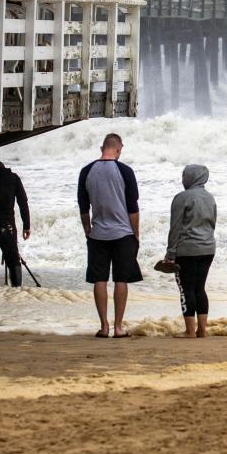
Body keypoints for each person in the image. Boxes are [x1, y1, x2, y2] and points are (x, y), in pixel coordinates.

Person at [78, 133, 142, 338]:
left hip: (98, 235)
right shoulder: (125, 171)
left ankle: (104, 326)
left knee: (100, 279)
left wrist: (87, 229)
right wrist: (136, 234)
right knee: (121, 279)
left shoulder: (86, 171)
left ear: (101, 148)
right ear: (119, 149)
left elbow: (83, 207)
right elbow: (133, 208)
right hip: (123, 233)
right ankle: (118, 327)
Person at [164, 165, 217, 339]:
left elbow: (175, 227)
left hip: (187, 250)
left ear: (191, 177)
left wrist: (170, 254)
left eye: (184, 175)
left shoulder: (182, 198)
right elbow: (212, 224)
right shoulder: (210, 198)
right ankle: (202, 330)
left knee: (186, 289)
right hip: (208, 248)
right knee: (199, 288)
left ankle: (189, 331)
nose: (183, 178)